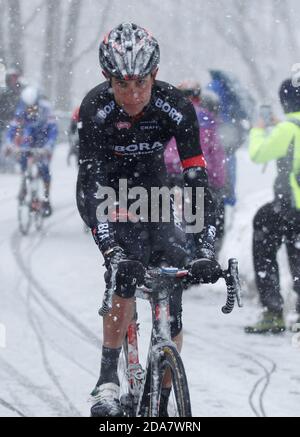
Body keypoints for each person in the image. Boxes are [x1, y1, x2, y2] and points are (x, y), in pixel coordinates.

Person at [76, 22, 221, 417]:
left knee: (172, 269)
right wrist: (111, 248)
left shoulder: (175, 106)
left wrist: (205, 247)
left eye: (141, 82)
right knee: (123, 272)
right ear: (107, 79)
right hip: (108, 191)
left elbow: (197, 183)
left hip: (153, 190)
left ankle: (163, 396)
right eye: (122, 84)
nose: (133, 94)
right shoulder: (95, 108)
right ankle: (107, 379)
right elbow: (90, 188)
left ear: (154, 74)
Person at [245, 78, 300, 334]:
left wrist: (258, 130)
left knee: (263, 230)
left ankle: (273, 310)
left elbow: (259, 153)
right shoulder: (290, 128)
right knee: (297, 251)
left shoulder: (288, 128)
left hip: (290, 205)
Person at [164, 81, 227, 254]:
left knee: (171, 219)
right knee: (201, 219)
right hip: (197, 173)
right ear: (198, 96)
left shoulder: (166, 116)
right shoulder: (208, 119)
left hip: (170, 178)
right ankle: (201, 254)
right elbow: (216, 154)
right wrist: (217, 182)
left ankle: (175, 255)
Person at [6, 86, 58, 217]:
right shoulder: (21, 109)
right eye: (27, 106)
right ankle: (25, 181)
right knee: (24, 158)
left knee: (44, 168)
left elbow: (53, 130)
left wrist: (48, 146)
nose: (30, 109)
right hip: (29, 139)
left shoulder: (46, 109)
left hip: (43, 139)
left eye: (33, 106)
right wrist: (10, 144)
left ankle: (46, 199)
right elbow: (12, 129)